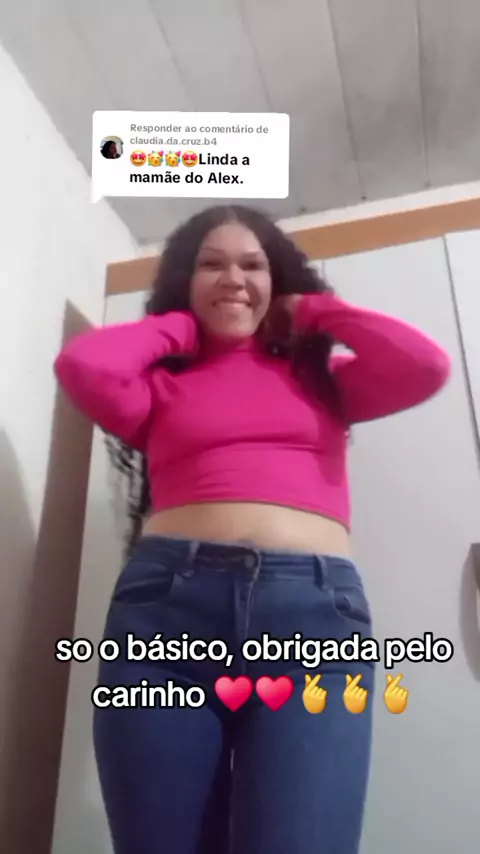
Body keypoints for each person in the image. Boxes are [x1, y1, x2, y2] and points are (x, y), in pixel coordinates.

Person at [53, 204, 451, 854]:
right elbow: (84, 367)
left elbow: (424, 366)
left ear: (277, 281)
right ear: (185, 280)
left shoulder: (322, 381)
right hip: (167, 617)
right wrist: (180, 326)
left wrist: (313, 313)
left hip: (314, 621)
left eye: (252, 265)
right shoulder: (159, 387)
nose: (233, 278)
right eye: (211, 265)